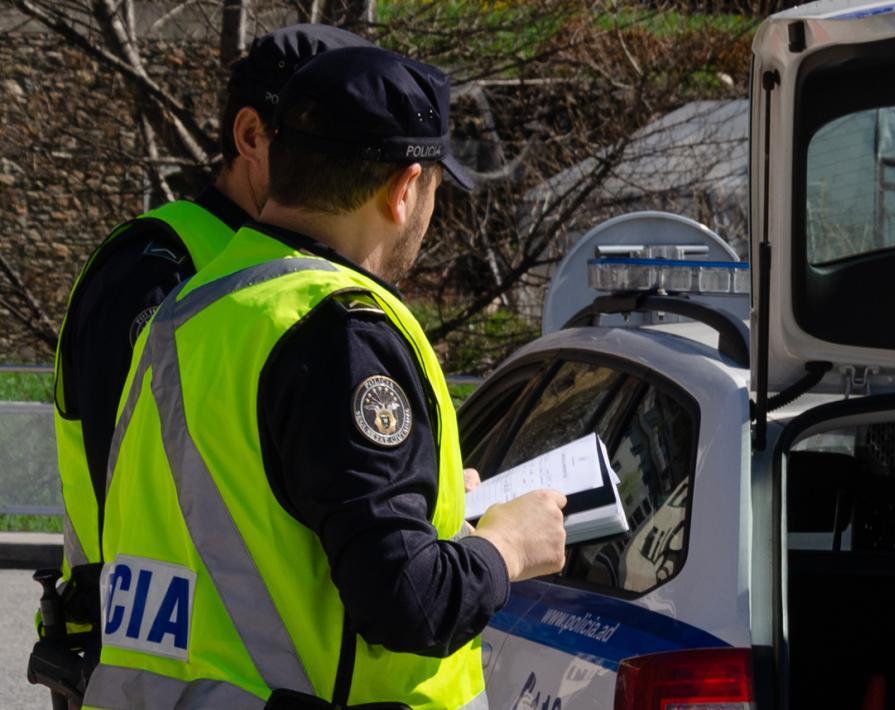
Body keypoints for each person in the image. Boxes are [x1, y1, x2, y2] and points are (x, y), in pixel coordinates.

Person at [85, 45, 567, 709]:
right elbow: (406, 603)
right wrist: (506, 546)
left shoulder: (191, 311)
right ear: (403, 191)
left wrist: (420, 500)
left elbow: (247, 517)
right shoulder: (338, 330)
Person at [50, 24, 371, 619]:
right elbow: (150, 497)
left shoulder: (289, 273)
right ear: (252, 136)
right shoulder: (155, 272)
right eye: (336, 150)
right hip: (143, 659)